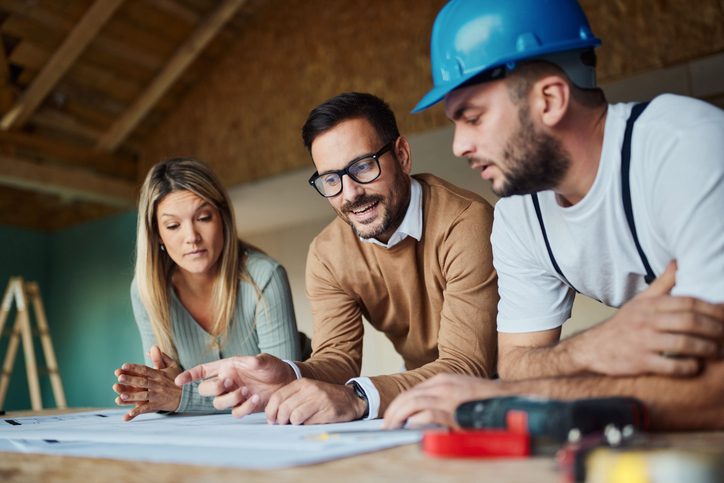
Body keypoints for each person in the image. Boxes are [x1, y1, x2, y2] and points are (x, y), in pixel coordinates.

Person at [384, 0, 724, 430]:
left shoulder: (685, 148)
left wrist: (503, 398)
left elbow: (715, 392)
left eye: (472, 118)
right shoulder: (519, 216)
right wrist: (594, 348)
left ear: (550, 99)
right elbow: (518, 365)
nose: (459, 146)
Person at [175, 92, 499, 424]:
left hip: (496, 396)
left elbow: (465, 367)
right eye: (331, 179)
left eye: (363, 166)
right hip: (417, 397)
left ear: (402, 155)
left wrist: (356, 396)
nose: (351, 193)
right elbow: (338, 358)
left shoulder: (466, 222)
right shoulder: (327, 253)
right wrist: (290, 374)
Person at [112, 157, 301, 421]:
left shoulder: (265, 276)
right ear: (157, 235)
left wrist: (181, 396)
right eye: (173, 225)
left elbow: (281, 388)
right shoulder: (145, 291)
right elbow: (164, 389)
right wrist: (159, 390)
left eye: (203, 217)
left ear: (222, 218)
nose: (192, 237)